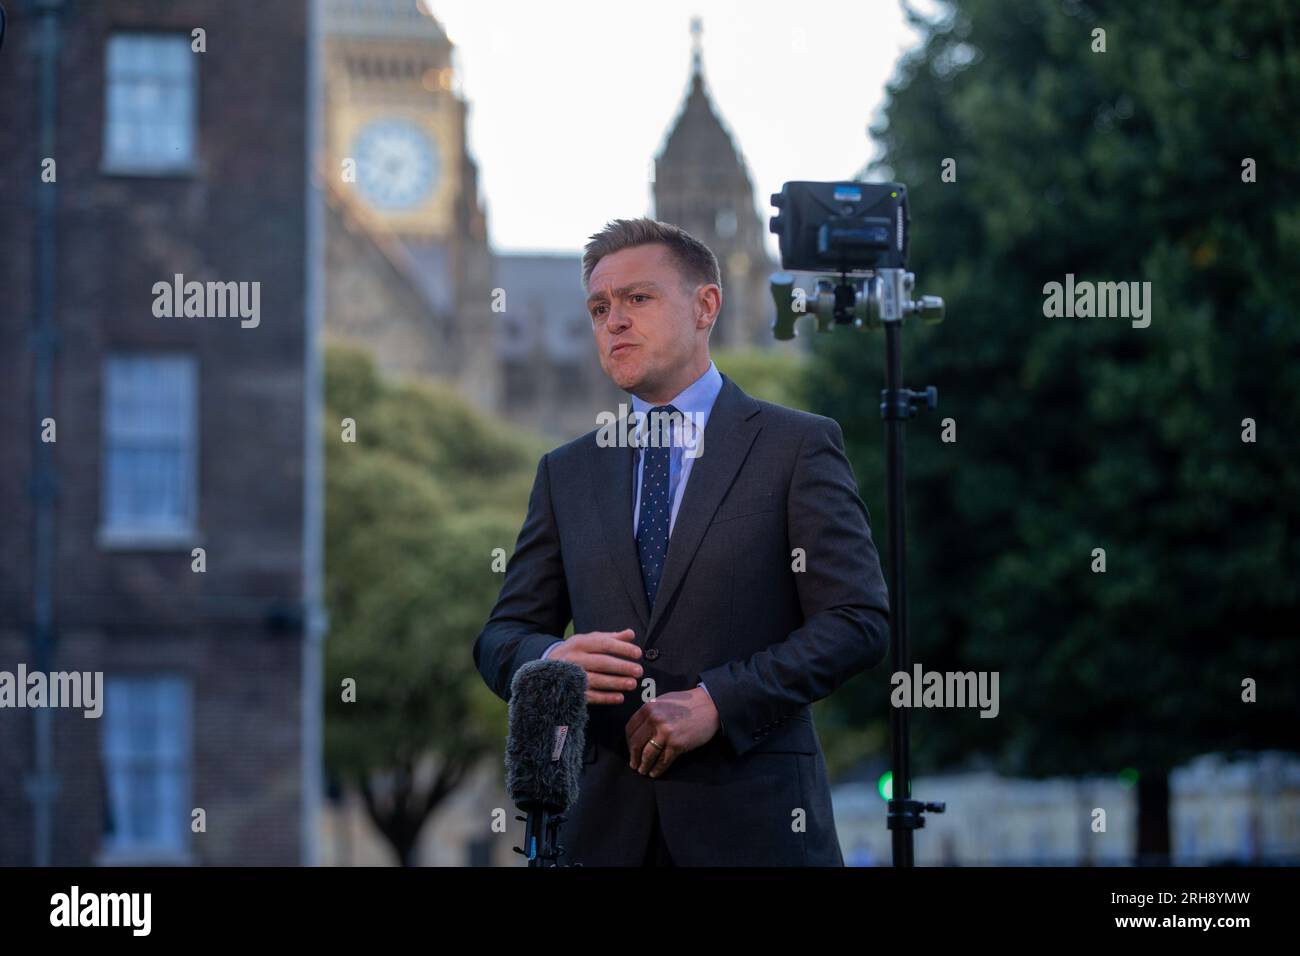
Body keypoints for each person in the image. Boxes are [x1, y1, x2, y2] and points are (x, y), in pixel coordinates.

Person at [473, 218, 890, 865]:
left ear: (705, 306)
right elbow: (502, 636)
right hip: (601, 835)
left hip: (758, 832)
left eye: (637, 299)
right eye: (599, 307)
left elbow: (856, 620)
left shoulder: (795, 446)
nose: (613, 321)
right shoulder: (567, 471)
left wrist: (720, 701)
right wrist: (551, 657)